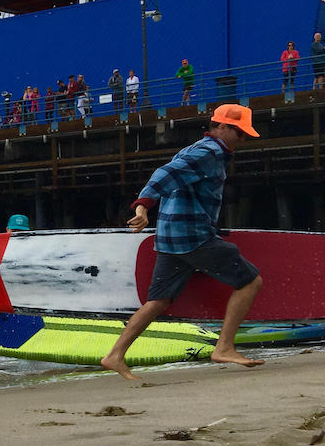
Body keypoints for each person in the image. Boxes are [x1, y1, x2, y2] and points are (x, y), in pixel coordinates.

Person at [100, 104, 265, 380]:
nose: (242, 139)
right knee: (251, 282)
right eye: (239, 132)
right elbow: (164, 174)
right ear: (221, 127)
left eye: (245, 135)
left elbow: (174, 178)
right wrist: (142, 206)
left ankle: (114, 355)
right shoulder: (209, 152)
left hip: (171, 238)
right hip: (193, 238)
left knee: (159, 301)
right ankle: (224, 347)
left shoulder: (195, 148)